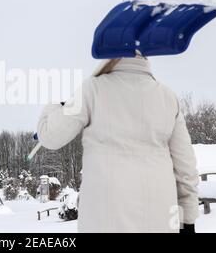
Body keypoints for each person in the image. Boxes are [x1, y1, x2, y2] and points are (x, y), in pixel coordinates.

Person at [37, 52, 200, 233]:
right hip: (160, 216)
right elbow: (186, 168)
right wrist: (188, 220)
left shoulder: (92, 90)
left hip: (105, 217)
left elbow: (50, 136)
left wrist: (59, 105)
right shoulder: (168, 98)